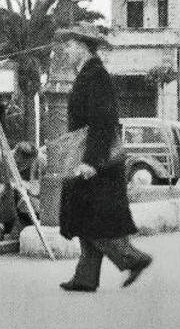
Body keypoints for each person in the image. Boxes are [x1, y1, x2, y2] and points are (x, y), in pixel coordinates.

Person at [57, 24, 152, 292]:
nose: (67, 50)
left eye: (71, 45)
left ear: (84, 48)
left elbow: (102, 121)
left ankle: (133, 258)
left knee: (94, 218)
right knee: (85, 216)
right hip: (93, 157)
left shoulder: (95, 76)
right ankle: (85, 277)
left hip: (98, 161)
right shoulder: (89, 74)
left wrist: (91, 162)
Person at [0, 141, 43, 241]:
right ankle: (1, 227)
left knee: (17, 233)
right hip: (7, 202)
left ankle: (2, 226)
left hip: (27, 205)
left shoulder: (36, 161)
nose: (22, 166)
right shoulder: (2, 159)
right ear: (15, 155)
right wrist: (1, 188)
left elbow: (37, 188)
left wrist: (24, 185)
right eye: (19, 163)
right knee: (8, 188)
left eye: (26, 163)